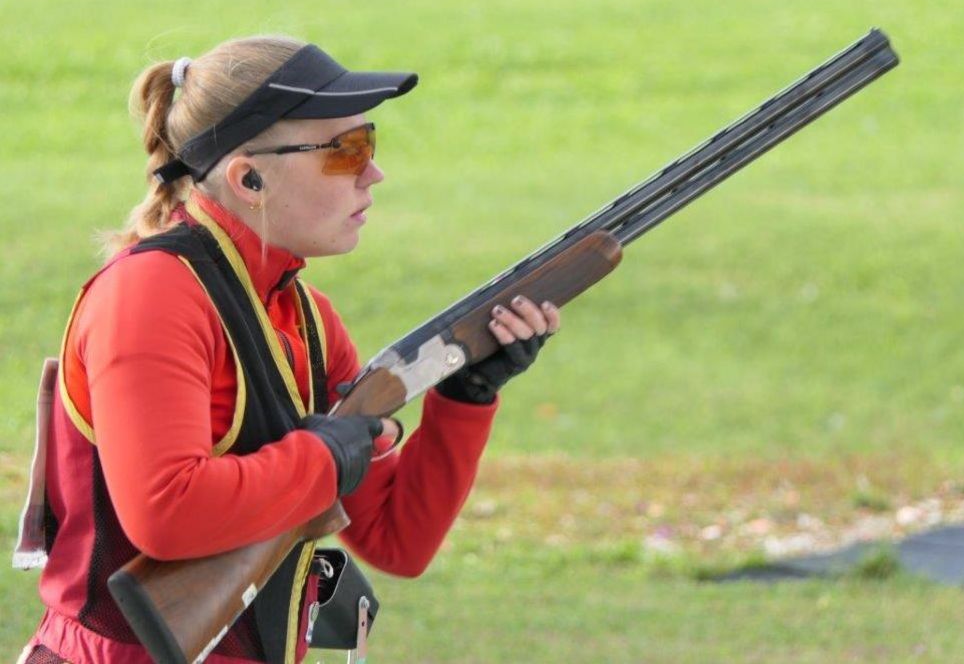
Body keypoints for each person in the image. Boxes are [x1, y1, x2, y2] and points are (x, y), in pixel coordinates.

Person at [18, 35, 560, 663]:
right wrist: (323, 457)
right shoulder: (151, 295)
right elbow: (165, 512)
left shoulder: (306, 319)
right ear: (250, 177)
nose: (373, 171)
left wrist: (466, 395)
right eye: (347, 150)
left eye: (370, 143)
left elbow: (396, 540)